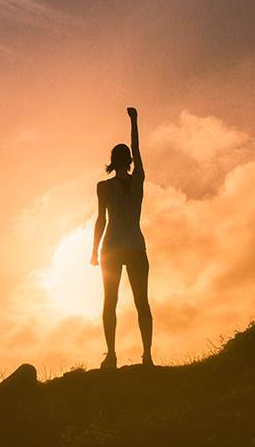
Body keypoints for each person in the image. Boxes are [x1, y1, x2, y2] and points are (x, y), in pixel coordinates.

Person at [90, 106, 153, 369]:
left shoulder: (111, 185)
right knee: (136, 302)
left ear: (114, 161)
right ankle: (136, 356)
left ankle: (118, 355)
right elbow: (100, 219)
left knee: (115, 303)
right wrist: (134, 120)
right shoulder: (131, 180)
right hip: (128, 248)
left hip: (118, 248)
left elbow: (101, 221)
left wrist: (94, 252)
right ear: (126, 161)